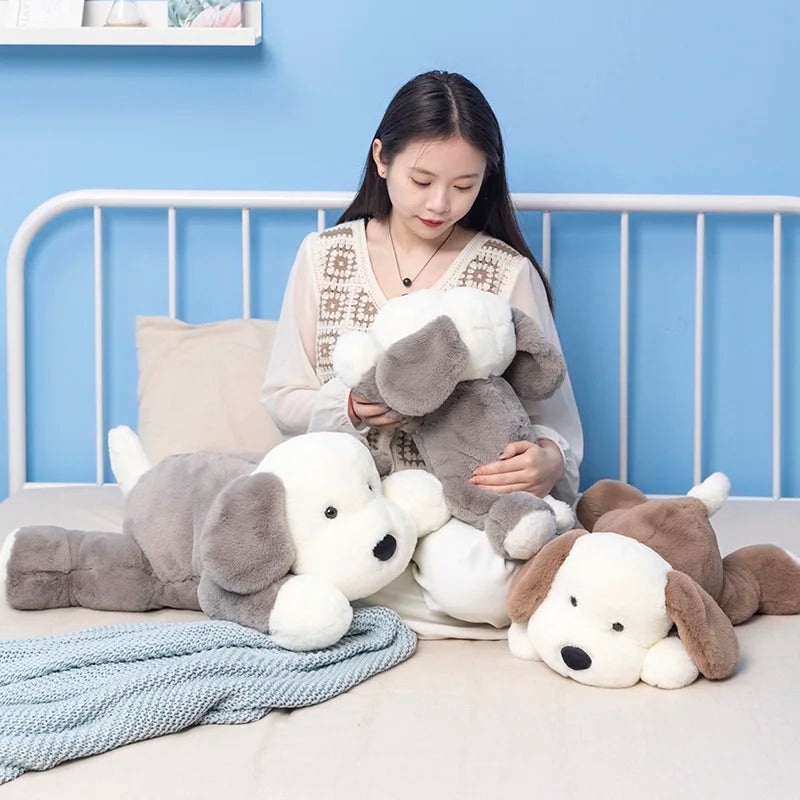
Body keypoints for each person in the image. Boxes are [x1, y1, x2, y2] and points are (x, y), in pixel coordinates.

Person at [261, 70, 583, 639]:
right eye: (422, 180)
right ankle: (396, 587)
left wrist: (549, 462)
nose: (439, 204)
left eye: (464, 186)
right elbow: (283, 397)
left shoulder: (506, 273)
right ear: (381, 159)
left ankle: (363, 595)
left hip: (458, 507)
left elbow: (554, 421)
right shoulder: (322, 257)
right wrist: (350, 408)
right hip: (345, 502)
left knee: (482, 588)